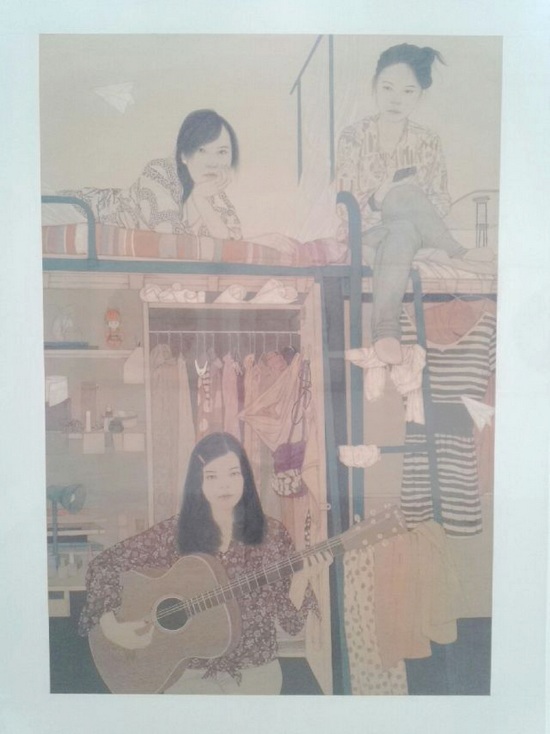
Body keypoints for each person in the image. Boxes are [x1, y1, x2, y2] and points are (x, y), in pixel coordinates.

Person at [78, 432, 323, 695]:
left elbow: (291, 624)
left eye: (233, 474)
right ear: (198, 482)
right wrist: (112, 628)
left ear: (246, 478)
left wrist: (302, 579)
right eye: (212, 476)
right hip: (186, 674)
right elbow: (103, 565)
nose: (224, 485)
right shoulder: (174, 533)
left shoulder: (272, 534)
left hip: (256, 670)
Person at [336, 43, 495, 365]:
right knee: (399, 213)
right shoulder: (354, 136)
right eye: (388, 88)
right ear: (374, 86)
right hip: (366, 234)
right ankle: (455, 252)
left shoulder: (427, 140)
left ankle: (385, 334)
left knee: (405, 214)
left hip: (421, 233)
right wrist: (379, 198)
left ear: (420, 95)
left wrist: (406, 199)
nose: (396, 99)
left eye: (408, 91)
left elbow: (440, 199)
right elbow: (343, 206)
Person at [63, 108, 242, 239]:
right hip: (75, 210)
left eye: (222, 152)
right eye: (201, 150)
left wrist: (200, 199)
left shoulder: (211, 193)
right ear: (183, 154)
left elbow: (232, 241)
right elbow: (169, 239)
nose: (213, 163)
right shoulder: (159, 173)